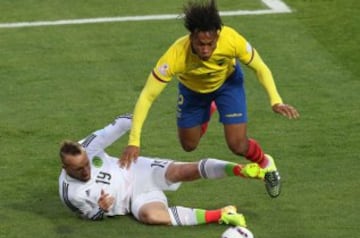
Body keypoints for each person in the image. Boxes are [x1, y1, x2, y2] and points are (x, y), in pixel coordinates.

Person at [120, 0, 300, 198]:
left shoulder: (231, 39)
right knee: (189, 146)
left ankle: (266, 163)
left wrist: (276, 100)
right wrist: (134, 141)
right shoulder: (175, 55)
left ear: (218, 36)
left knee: (237, 145)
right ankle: (210, 107)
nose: (205, 49)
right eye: (200, 44)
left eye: (210, 44)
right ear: (191, 38)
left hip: (227, 85)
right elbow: (147, 95)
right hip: (192, 92)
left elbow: (260, 67)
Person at [59, 114, 269, 225]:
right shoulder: (71, 194)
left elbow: (122, 123)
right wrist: (102, 209)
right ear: (65, 167)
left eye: (87, 164)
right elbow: (89, 217)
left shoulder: (89, 146)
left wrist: (135, 133)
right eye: (79, 169)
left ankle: (239, 169)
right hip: (133, 201)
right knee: (154, 218)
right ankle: (222, 214)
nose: (86, 170)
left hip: (135, 170)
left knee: (181, 172)